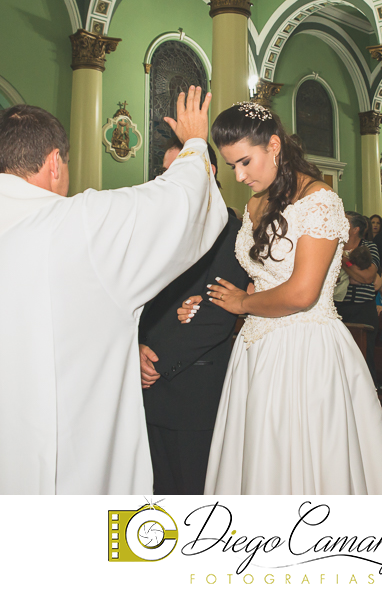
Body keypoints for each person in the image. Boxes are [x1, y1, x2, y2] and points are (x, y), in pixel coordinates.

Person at [0, 88, 226, 494]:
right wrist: (195, 144)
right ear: (55, 163)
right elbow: (179, 204)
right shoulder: (75, 226)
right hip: (66, 462)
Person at [192, 101, 382, 494]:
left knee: (307, 461)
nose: (238, 176)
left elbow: (303, 292)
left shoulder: (320, 200)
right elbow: (263, 271)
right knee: (259, 460)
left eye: (244, 162)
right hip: (255, 348)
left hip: (304, 348)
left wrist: (242, 302)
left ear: (273, 146)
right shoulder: (257, 201)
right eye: (231, 166)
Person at [138, 138, 249, 495]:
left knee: (193, 499)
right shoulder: (155, 233)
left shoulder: (231, 235)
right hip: (143, 390)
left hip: (192, 392)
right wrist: (136, 347)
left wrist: (157, 362)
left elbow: (215, 317)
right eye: (166, 176)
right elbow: (137, 299)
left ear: (208, 173)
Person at [335, 212, 382, 388]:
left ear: (355, 229)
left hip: (361, 311)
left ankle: (368, 401)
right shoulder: (334, 245)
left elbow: (367, 277)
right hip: (337, 309)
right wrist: (352, 269)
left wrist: (343, 262)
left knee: (362, 358)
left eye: (344, 221)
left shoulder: (369, 247)